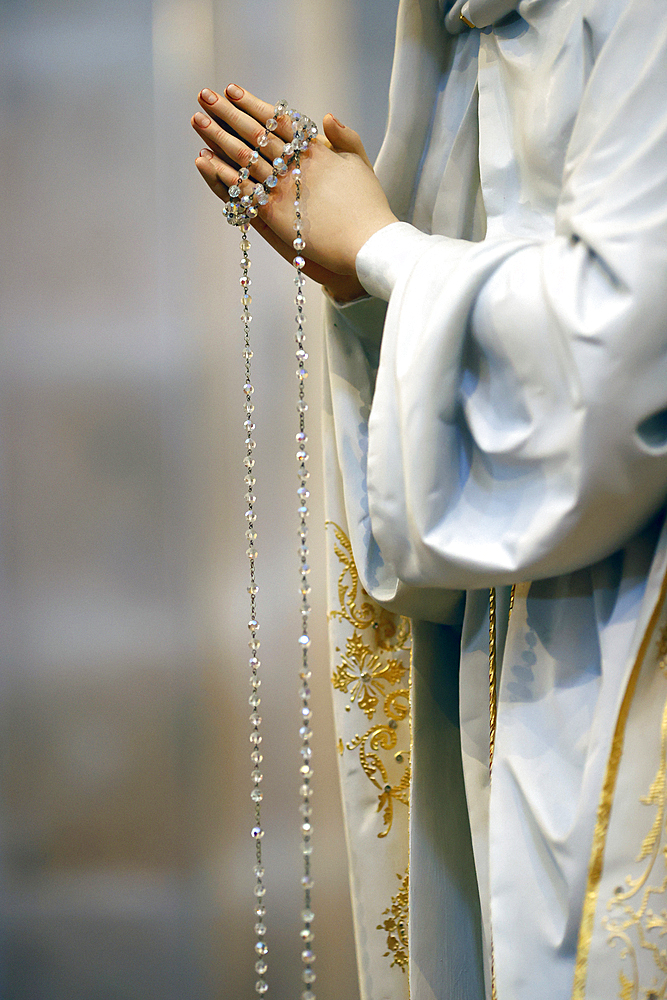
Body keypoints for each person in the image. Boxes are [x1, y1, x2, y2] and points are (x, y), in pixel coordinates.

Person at [192, 0, 667, 997]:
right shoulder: (451, 24)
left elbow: (619, 362)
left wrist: (380, 250)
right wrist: (363, 281)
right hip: (522, 631)